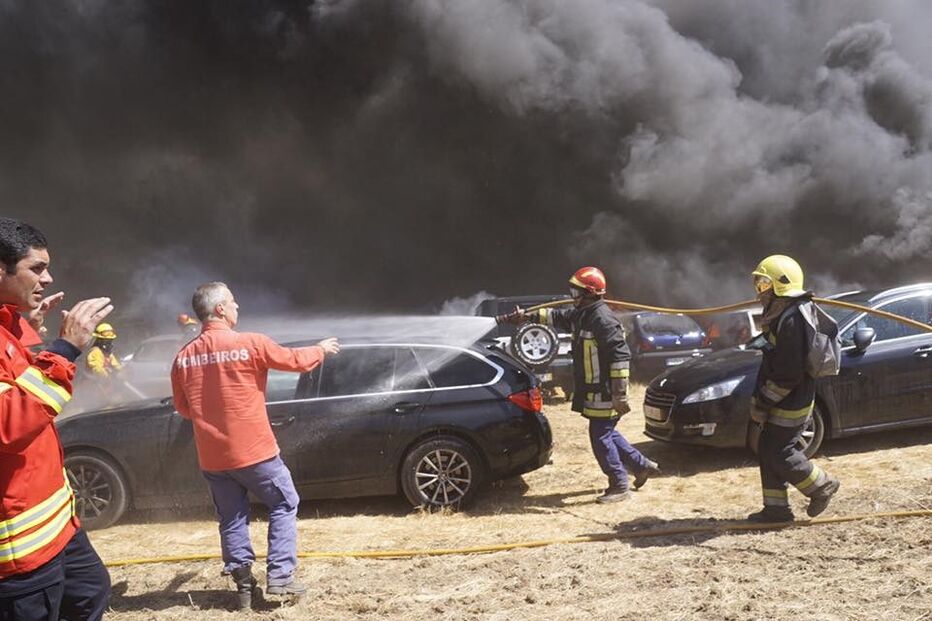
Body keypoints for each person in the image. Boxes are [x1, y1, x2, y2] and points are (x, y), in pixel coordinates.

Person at [170, 282, 340, 609]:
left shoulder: (183, 357)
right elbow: (294, 361)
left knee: (232, 518)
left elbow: (183, 407)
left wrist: (211, 415)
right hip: (255, 451)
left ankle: (244, 589)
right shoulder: (250, 343)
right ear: (220, 308)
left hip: (213, 458)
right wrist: (321, 349)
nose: (238, 307)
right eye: (233, 302)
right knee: (284, 501)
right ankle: (280, 576)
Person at [0, 217, 113, 620]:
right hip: (20, 552)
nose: (48, 278)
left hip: (58, 527)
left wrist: (26, 326)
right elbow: (7, 424)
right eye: (37, 268)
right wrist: (64, 349)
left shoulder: (7, 321)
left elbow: (20, 372)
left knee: (91, 592)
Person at [498, 266, 659, 503]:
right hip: (593, 391)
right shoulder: (583, 313)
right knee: (607, 432)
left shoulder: (603, 320)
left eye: (576, 291)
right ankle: (641, 465)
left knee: (600, 436)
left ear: (590, 293)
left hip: (605, 390)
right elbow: (557, 316)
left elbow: (620, 356)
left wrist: (620, 394)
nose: (572, 295)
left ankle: (619, 484)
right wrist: (526, 316)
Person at [746, 254, 840, 522]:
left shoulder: (792, 320)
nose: (759, 291)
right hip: (783, 394)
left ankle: (822, 485)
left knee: (779, 450)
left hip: (791, 397)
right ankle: (776, 510)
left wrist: (764, 400)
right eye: (758, 284)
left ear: (780, 285)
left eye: (763, 284)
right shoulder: (781, 313)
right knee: (767, 446)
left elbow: (789, 374)